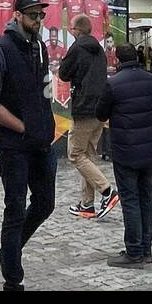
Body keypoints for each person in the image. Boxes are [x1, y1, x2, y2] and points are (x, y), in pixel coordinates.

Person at [0, 0, 57, 291]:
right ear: (18, 16)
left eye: (41, 15)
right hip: (13, 145)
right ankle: (13, 278)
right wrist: (22, 126)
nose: (39, 20)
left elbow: (42, 89)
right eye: (33, 15)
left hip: (41, 141)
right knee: (14, 206)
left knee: (45, 203)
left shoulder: (38, 46)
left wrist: (44, 121)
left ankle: (5, 254)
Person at [96, 42, 152, 267]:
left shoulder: (113, 84)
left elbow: (100, 113)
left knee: (131, 200)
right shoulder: (151, 80)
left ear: (117, 59)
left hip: (125, 150)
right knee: (146, 198)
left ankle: (134, 251)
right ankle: (146, 248)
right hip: (149, 149)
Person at [58, 13, 118, 219]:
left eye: (72, 28)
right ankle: (87, 204)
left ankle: (107, 191)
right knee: (89, 155)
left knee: (75, 154)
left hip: (83, 108)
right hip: (100, 108)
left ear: (77, 30)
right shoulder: (99, 49)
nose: (70, 31)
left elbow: (64, 74)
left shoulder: (76, 48)